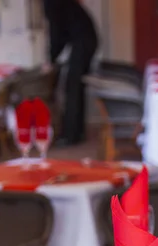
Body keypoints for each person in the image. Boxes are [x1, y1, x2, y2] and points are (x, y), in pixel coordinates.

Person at [43, 0, 98, 145]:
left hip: (83, 41)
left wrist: (51, 59)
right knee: (76, 87)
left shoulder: (50, 4)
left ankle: (70, 136)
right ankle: (77, 132)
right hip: (87, 39)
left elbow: (57, 33)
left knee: (72, 89)